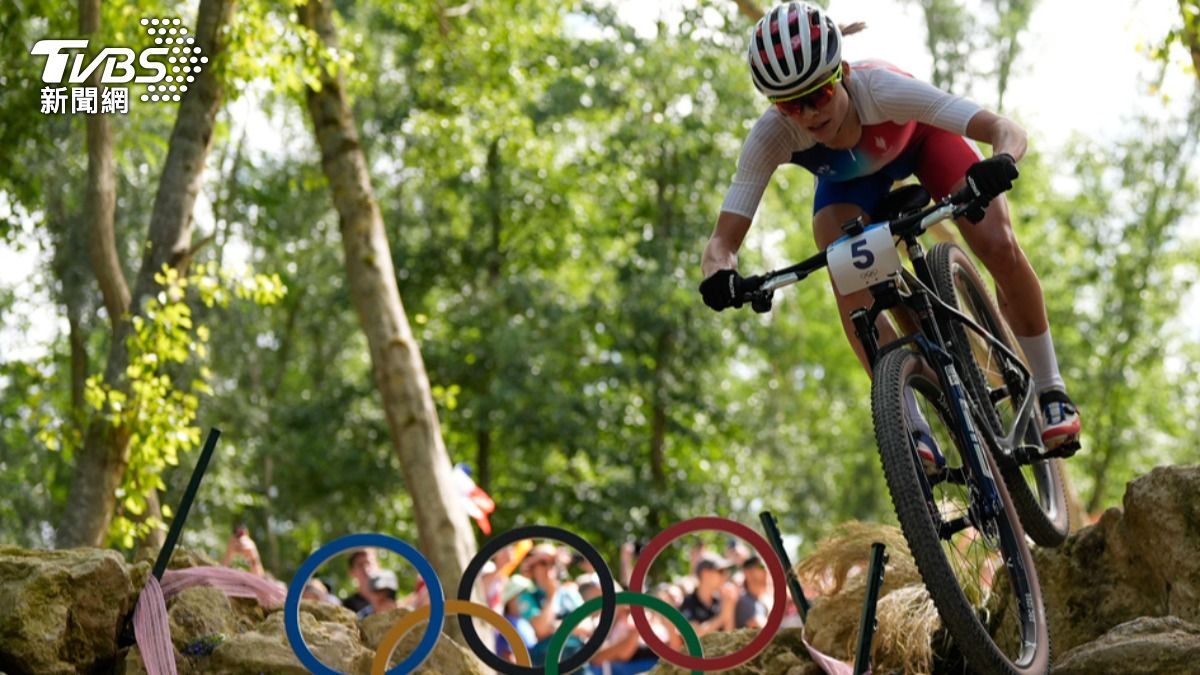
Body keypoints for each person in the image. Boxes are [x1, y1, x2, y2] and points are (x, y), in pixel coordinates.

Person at [699, 2, 1081, 471]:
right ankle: (912, 424)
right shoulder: (771, 137)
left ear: (840, 73)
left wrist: (1000, 160)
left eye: (818, 94)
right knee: (842, 268)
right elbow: (722, 243)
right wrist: (721, 276)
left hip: (924, 145)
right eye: (790, 105)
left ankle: (1050, 388)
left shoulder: (881, 88)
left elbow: (1005, 129)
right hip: (851, 186)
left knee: (998, 243)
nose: (808, 113)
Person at [678, 553, 738, 635]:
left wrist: (729, 608)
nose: (725, 575)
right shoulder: (688, 602)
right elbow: (694, 635)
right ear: (705, 574)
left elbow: (729, 636)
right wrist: (722, 617)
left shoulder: (721, 600)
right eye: (721, 571)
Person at [734, 556, 770, 629]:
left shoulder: (762, 602)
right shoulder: (743, 601)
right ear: (747, 572)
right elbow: (755, 623)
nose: (766, 571)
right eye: (761, 567)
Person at [342, 548, 380, 613]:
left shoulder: (391, 598)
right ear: (352, 572)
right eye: (360, 565)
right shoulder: (347, 606)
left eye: (369, 563)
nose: (366, 568)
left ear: (378, 566)